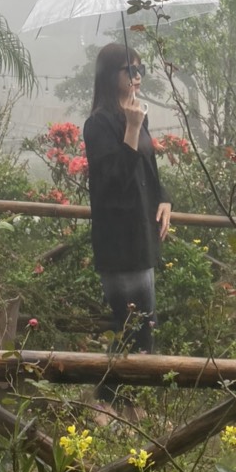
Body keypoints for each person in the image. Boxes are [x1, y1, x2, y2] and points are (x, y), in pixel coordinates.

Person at [83, 42, 172, 418]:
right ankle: (111, 399)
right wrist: (132, 129)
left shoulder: (139, 116)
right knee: (131, 323)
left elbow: (148, 169)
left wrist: (164, 197)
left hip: (143, 232)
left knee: (143, 324)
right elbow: (113, 182)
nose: (136, 77)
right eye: (128, 70)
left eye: (140, 69)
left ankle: (120, 400)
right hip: (118, 237)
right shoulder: (99, 123)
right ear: (110, 75)